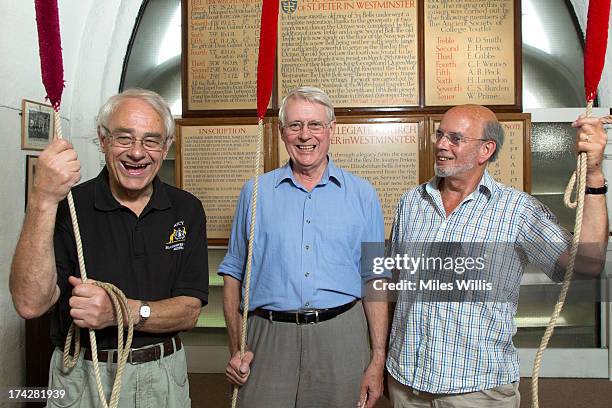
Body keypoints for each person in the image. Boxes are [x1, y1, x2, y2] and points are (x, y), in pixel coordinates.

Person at [385, 104, 608, 407]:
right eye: (440, 135)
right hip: (406, 384)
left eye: (455, 138)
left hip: (477, 390)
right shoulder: (411, 202)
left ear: (485, 150)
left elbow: (588, 264)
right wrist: (381, 360)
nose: (440, 144)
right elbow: (395, 287)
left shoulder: (517, 211)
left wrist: (593, 173)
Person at [10, 89, 209, 407]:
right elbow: (30, 304)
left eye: (151, 140)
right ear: (102, 140)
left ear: (166, 147)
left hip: (164, 375)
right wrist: (43, 199)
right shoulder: (68, 207)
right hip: (82, 376)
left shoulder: (186, 210)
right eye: (124, 138)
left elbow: (189, 312)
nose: (137, 152)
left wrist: (119, 312)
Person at [219, 86, 389, 408]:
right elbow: (233, 274)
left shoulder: (362, 194)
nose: (305, 135)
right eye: (295, 125)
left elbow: (375, 277)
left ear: (331, 130)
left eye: (314, 125)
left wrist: (377, 357)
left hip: (342, 337)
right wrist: (235, 347)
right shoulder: (255, 192)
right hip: (267, 339)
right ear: (282, 132)